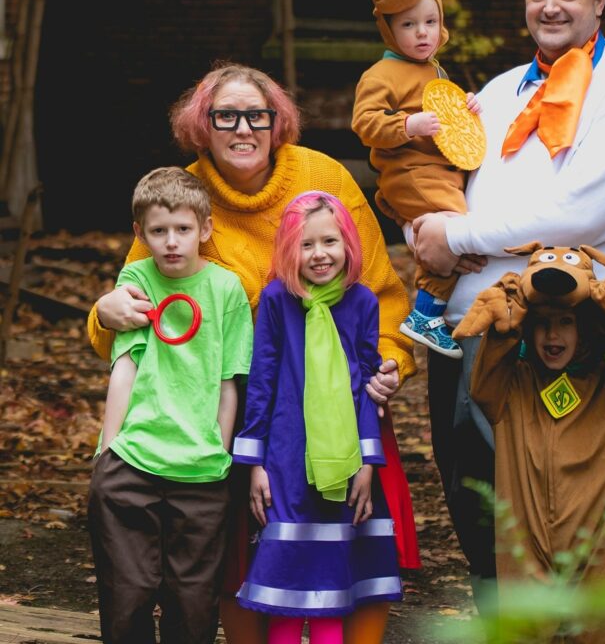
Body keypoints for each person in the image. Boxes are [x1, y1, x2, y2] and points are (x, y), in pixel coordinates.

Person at [86, 62, 419, 644]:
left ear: (276, 122)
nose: (243, 129)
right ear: (202, 126)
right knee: (236, 548)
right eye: (225, 117)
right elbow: (133, 304)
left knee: (354, 542)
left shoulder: (325, 176)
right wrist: (103, 312)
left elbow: (381, 293)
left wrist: (389, 360)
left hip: (339, 398)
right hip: (234, 409)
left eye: (257, 116)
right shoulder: (180, 196)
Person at [411, 0, 605, 609]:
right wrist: (422, 225)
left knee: (561, 502)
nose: (549, 6)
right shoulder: (501, 91)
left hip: (566, 330)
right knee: (476, 494)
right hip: (469, 328)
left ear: (600, 0)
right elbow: (445, 181)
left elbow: (578, 214)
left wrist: (458, 236)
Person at [453, 243, 605, 642]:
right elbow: (484, 383)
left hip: (598, 556)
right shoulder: (512, 387)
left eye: (566, 322)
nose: (552, 334)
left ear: (586, 325)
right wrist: (507, 326)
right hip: (528, 556)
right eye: (541, 322)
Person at [88, 166, 254, 644]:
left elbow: (228, 382)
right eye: (159, 231)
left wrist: (220, 451)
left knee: (193, 600)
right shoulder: (136, 277)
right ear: (140, 234)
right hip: (133, 460)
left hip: (201, 469)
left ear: (205, 229)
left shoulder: (226, 289)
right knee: (128, 592)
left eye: (183, 228)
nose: (172, 242)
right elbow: (126, 364)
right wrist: (107, 452)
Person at [232, 191, 402, 643]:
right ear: (289, 250)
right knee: (287, 593)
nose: (319, 254)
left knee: (331, 591)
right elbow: (262, 381)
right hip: (286, 461)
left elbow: (366, 385)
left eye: (329, 241)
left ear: (348, 242)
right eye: (305, 244)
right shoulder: (276, 299)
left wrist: (368, 463)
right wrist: (254, 464)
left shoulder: (362, 301)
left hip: (343, 463)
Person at [352, 0, 480, 360]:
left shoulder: (435, 70)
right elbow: (365, 123)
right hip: (410, 172)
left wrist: (468, 108)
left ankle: (432, 267)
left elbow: (448, 119)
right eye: (408, 25)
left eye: (430, 21)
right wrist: (408, 124)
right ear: (389, 29)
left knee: (457, 233)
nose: (422, 32)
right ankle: (425, 314)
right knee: (452, 230)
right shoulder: (382, 74)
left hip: (440, 171)